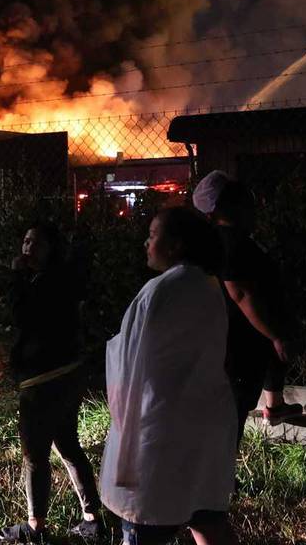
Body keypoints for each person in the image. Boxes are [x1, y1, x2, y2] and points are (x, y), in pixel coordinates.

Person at [100, 206, 239, 545]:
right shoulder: (208, 285)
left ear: (175, 245)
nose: (146, 243)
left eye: (152, 235)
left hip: (158, 432)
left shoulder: (158, 290)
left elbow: (130, 361)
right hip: (207, 423)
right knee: (205, 517)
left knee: (147, 524)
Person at [0, 223, 104, 543]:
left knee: (35, 455)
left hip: (42, 380)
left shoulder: (47, 282)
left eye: (36, 243)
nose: (27, 248)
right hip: (67, 374)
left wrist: (14, 280)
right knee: (68, 445)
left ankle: (35, 527)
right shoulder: (60, 278)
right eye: (25, 240)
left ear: (51, 249)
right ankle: (92, 519)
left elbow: (24, 316)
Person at [191, 171, 303, 435]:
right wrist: (276, 336)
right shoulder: (231, 244)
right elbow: (241, 295)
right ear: (225, 206)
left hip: (235, 347)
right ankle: (222, 475)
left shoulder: (223, 241)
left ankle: (223, 474)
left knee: (232, 416)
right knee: (232, 418)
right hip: (239, 349)